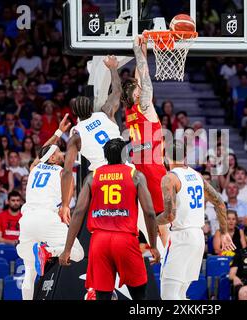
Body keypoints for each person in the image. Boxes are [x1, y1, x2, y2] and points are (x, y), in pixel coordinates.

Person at [60, 138, 160, 300]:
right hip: (125, 239)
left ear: (105, 156)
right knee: (139, 295)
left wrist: (67, 249)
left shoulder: (93, 177)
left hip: (99, 241)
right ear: (124, 155)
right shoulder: (136, 175)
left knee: (103, 296)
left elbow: (78, 212)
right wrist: (153, 246)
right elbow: (149, 212)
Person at [155, 140, 234, 300]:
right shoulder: (196, 175)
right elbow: (219, 202)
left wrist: (152, 221)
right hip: (198, 238)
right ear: (185, 155)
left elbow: (170, 216)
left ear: (165, 156)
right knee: (181, 294)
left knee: (168, 295)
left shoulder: (169, 178)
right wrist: (224, 231)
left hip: (181, 237)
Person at [17, 114, 84, 300]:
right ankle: (50, 251)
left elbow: (43, 153)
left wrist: (58, 132)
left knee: (29, 272)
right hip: (47, 217)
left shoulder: (34, 167)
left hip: (27, 219)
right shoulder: (62, 171)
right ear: (53, 158)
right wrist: (65, 206)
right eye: (58, 152)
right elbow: (69, 183)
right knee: (77, 253)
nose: (62, 154)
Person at [60, 56, 122, 225]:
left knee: (103, 222)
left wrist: (65, 204)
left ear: (75, 114)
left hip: (102, 177)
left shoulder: (76, 136)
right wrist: (113, 68)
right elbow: (117, 91)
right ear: (91, 106)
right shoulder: (105, 112)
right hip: (125, 169)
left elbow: (67, 171)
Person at [122, 36, 168, 245]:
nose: (141, 89)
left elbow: (140, 77)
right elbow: (144, 77)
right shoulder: (146, 108)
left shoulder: (129, 111)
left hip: (139, 174)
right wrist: (139, 50)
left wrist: (141, 52)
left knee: (150, 228)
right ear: (137, 94)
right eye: (138, 89)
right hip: (153, 173)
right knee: (163, 227)